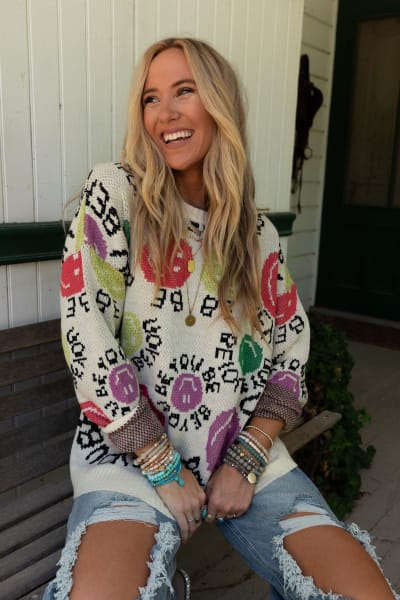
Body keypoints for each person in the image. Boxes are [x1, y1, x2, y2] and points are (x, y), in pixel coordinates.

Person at [44, 37, 398, 600]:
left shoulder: (258, 236)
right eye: (151, 98)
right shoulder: (116, 194)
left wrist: (248, 456)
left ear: (219, 105)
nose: (165, 113)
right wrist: (161, 463)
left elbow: (290, 354)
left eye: (184, 91)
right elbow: (85, 334)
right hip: (128, 463)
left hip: (244, 458)